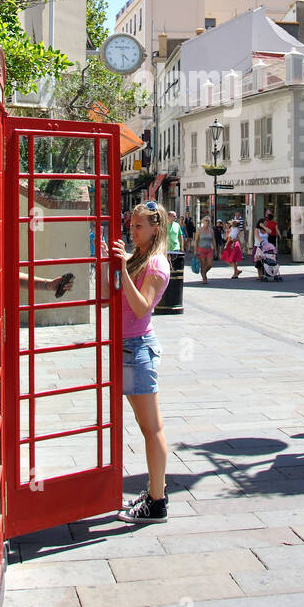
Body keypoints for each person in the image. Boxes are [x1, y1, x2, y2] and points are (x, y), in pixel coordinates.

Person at [108, 201, 171, 522]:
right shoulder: (139, 258)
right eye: (131, 225)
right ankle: (153, 494)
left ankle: (157, 500)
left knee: (151, 428)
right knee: (144, 426)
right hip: (124, 347)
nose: (132, 232)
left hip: (137, 349)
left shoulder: (156, 265)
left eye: (138, 227)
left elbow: (142, 306)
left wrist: (122, 268)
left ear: (155, 228)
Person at [195, 215, 215, 283]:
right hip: (201, 249)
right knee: (203, 264)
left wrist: (215, 250)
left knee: (210, 264)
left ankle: (204, 273)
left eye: (208, 221)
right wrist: (195, 250)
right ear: (203, 221)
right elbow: (196, 240)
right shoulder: (199, 230)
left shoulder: (211, 230)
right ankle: (204, 278)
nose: (207, 222)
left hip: (209, 249)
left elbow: (213, 240)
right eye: (206, 220)